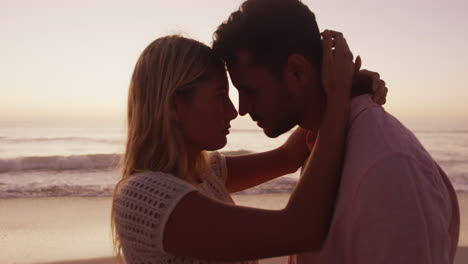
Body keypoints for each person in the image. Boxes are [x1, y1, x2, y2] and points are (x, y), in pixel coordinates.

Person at [212, 0, 460, 263]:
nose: (241, 109)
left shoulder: (386, 165)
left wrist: (342, 93)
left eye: (249, 90)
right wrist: (341, 94)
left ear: (297, 72)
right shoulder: (322, 140)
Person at [110, 31, 380, 263]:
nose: (233, 111)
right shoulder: (145, 197)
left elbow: (288, 156)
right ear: (175, 105)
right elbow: (300, 230)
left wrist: (341, 90)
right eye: (219, 96)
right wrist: (338, 97)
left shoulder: (204, 172)